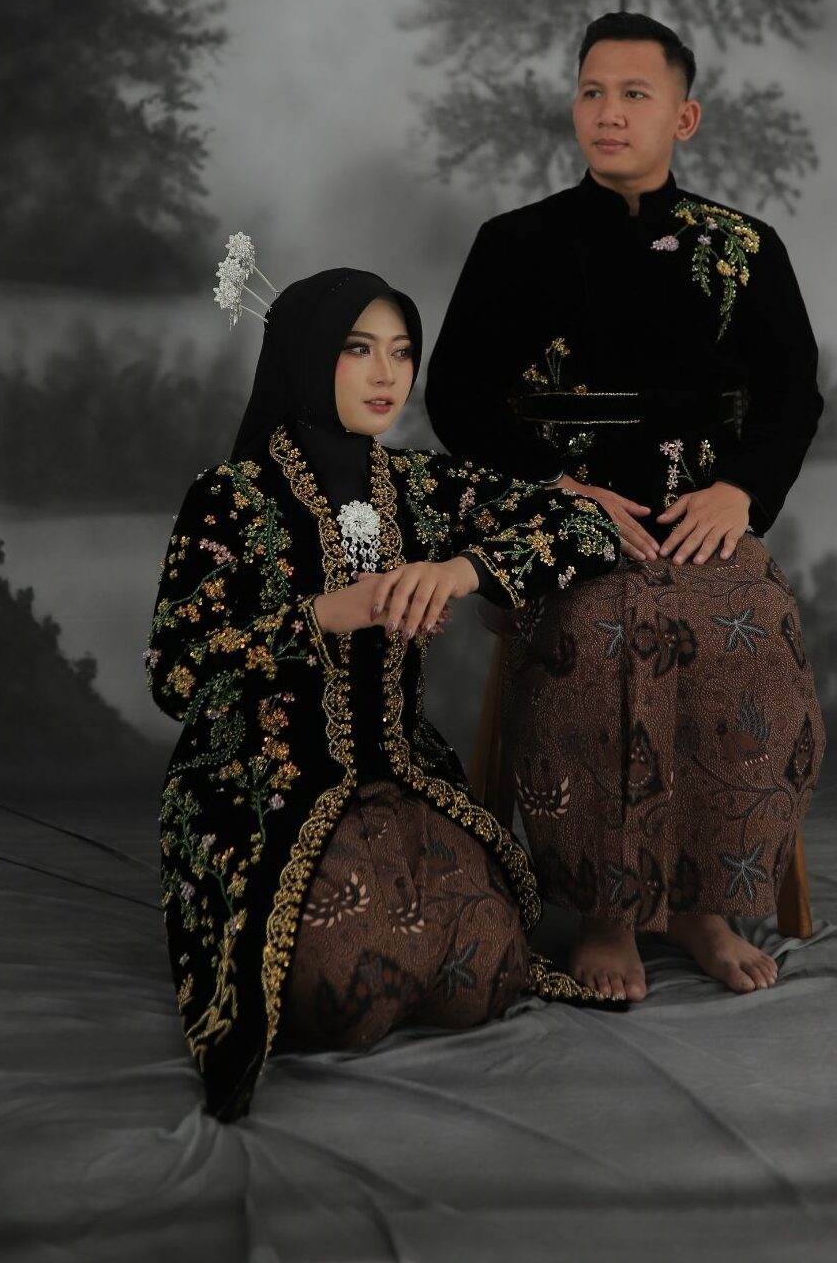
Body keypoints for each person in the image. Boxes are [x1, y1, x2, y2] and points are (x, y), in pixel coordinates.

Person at [147, 266, 622, 1121]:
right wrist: (322, 615)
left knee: (484, 971)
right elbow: (175, 672)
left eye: (402, 352)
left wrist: (462, 570)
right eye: (357, 349)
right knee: (344, 990)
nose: (385, 375)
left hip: (401, 775)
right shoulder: (229, 498)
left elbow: (580, 524)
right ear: (303, 358)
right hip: (260, 788)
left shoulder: (420, 486)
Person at [426, 13, 827, 1003]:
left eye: (634, 95)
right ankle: (608, 912)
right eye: (591, 92)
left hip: (702, 517)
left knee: (748, 628)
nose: (608, 113)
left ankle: (703, 904)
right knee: (603, 630)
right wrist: (560, 489)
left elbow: (792, 394)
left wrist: (738, 491)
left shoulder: (742, 248)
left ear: (683, 116)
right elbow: (459, 397)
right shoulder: (513, 245)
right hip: (562, 519)